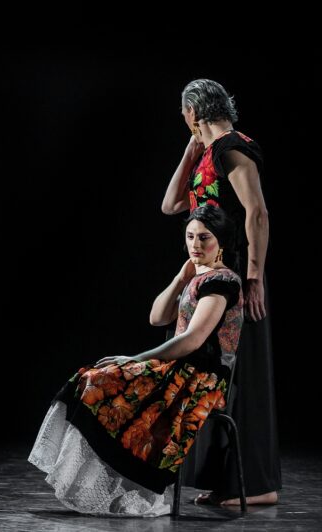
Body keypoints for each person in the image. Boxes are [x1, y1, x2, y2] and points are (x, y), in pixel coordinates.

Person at [29, 205, 243, 516]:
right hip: (179, 368)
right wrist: (179, 279)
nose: (195, 245)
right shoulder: (199, 277)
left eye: (204, 238)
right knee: (93, 377)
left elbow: (193, 340)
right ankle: (111, 485)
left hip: (200, 378)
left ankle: (132, 487)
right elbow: (157, 317)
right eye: (190, 237)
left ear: (221, 241)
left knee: (105, 381)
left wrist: (137, 358)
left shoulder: (222, 282)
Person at [161, 79, 279, 506]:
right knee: (220, 374)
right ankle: (231, 482)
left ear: (192, 113)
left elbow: (257, 212)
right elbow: (172, 205)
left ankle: (257, 486)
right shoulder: (209, 153)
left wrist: (253, 276)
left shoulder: (232, 147)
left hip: (238, 277)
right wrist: (191, 149)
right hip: (213, 274)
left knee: (240, 373)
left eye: (183, 114)